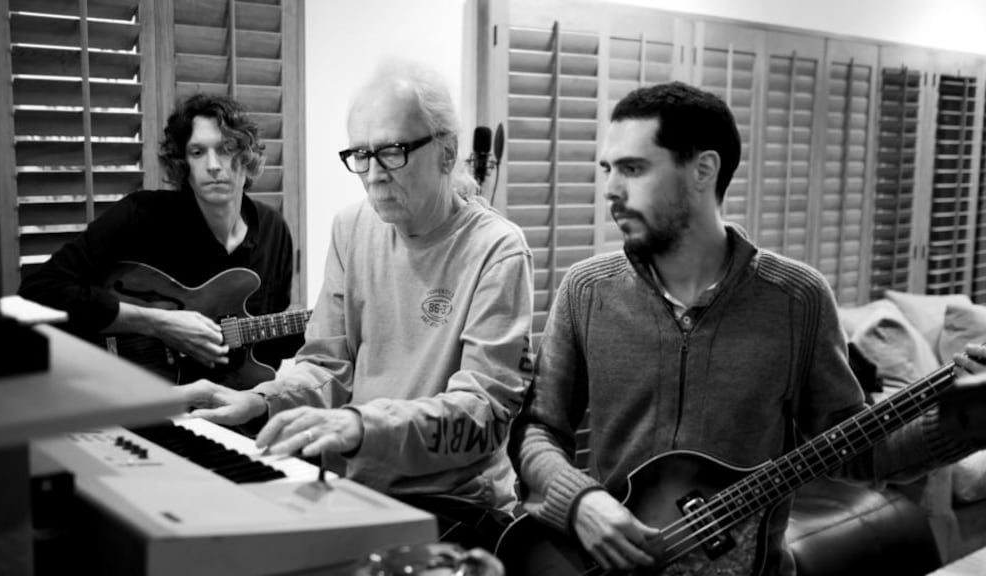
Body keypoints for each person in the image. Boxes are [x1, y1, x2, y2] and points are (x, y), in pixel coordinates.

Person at [506, 81, 986, 575]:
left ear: (703, 170)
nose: (610, 189)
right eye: (608, 169)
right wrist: (580, 502)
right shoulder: (586, 290)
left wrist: (963, 419)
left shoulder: (797, 299)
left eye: (633, 168)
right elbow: (539, 428)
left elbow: (856, 452)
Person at [178, 60, 535, 551]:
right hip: (355, 487)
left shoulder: (497, 249)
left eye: (391, 151)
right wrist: (263, 400)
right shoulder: (351, 227)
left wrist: (360, 424)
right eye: (361, 155)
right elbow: (327, 363)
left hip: (455, 505)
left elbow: (482, 415)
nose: (373, 175)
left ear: (447, 152)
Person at [19, 94, 300, 385]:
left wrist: (324, 328)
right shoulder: (140, 216)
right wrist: (157, 324)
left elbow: (269, 349)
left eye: (226, 149)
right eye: (197, 152)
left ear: (247, 157)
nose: (214, 165)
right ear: (183, 165)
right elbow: (40, 290)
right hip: (125, 396)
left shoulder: (273, 230)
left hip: (224, 408)